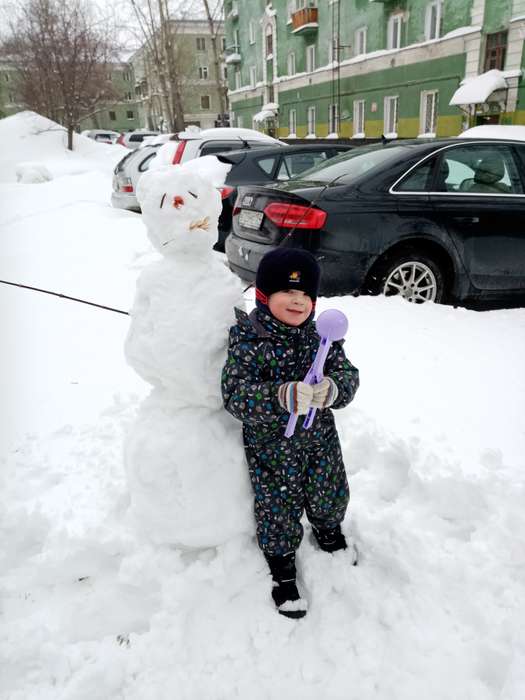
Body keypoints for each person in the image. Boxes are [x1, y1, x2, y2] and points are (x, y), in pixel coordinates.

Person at [221, 248, 360, 619]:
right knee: (278, 507)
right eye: (287, 292)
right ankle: (282, 564)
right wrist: (279, 396)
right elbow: (235, 396)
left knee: (329, 487)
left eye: (307, 295)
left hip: (319, 438)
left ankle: (329, 529)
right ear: (265, 296)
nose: (299, 301)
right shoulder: (250, 340)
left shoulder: (322, 337)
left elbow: (348, 375)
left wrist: (333, 388)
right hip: (272, 445)